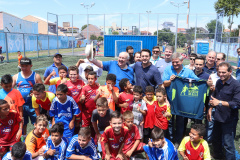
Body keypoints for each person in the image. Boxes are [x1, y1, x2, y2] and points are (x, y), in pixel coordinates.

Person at [162, 52, 199, 147]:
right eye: (173, 62)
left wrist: (208, 82)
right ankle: (169, 140)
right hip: (169, 100)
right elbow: (164, 83)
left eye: (177, 62)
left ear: (182, 61)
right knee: (169, 121)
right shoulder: (168, 69)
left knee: (180, 122)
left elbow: (197, 82)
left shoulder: (188, 72)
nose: (175, 64)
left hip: (182, 102)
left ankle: (178, 141)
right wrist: (170, 80)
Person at [208, 62, 240, 160]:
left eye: (223, 72)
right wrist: (210, 109)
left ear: (230, 72)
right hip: (218, 116)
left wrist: (220, 103)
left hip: (229, 119)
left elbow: (237, 104)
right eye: (219, 72)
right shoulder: (218, 82)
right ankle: (218, 156)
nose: (221, 74)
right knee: (216, 139)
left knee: (228, 144)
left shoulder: (236, 85)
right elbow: (215, 97)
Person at [12, 57, 43, 140]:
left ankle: (36, 137)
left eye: (26, 66)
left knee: (36, 122)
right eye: (22, 66)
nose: (24, 68)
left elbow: (42, 90)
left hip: (33, 104)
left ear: (31, 66)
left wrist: (36, 93)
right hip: (20, 105)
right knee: (22, 122)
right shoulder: (15, 77)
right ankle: (24, 138)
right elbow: (9, 91)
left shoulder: (36, 76)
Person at [65, 66, 85, 132]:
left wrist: (82, 97)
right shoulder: (66, 83)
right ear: (68, 74)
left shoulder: (81, 82)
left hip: (79, 107)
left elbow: (85, 90)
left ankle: (78, 138)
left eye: (74, 74)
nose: (72, 76)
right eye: (71, 74)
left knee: (78, 124)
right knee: (70, 124)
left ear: (78, 75)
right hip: (69, 108)